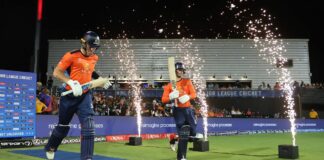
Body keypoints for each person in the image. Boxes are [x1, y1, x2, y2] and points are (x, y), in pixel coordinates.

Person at [44, 31, 111, 160]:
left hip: (84, 96)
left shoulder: (94, 57)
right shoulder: (71, 56)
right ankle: (51, 147)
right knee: (63, 127)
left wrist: (101, 80)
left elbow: (90, 71)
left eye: (96, 47)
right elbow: (57, 72)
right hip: (69, 97)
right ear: (84, 43)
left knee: (89, 127)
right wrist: (70, 82)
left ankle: (87, 158)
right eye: (91, 46)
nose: (93, 49)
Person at [162, 62, 197, 160]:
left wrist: (188, 96)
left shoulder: (187, 81)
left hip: (188, 109)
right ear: (175, 71)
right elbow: (163, 99)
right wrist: (170, 96)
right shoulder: (170, 85)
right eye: (179, 69)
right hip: (178, 111)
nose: (180, 71)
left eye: (182, 70)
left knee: (193, 132)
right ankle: (181, 157)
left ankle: (174, 140)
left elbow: (194, 94)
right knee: (183, 134)